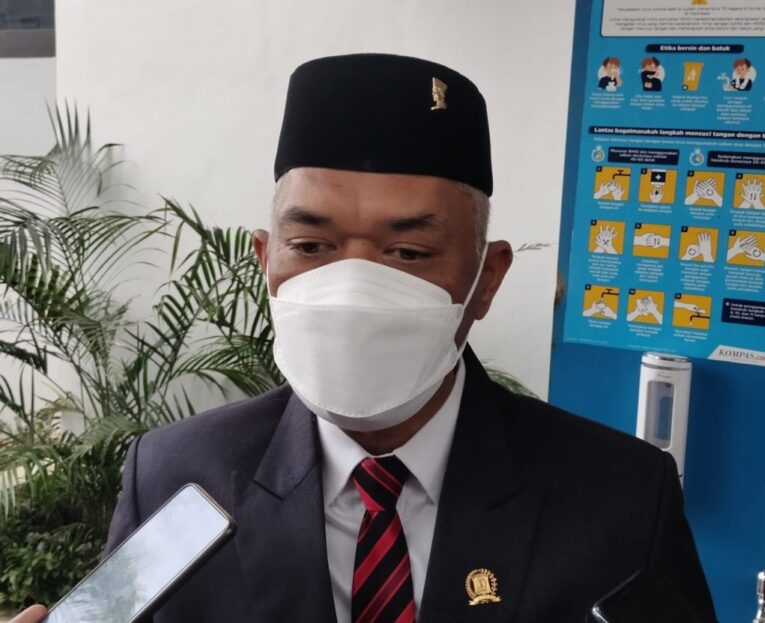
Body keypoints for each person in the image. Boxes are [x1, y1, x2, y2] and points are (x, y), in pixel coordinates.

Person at [13, 53, 717, 623]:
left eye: (407, 254)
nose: (352, 290)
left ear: (487, 279)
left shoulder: (618, 499)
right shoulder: (177, 475)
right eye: (311, 246)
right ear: (265, 259)